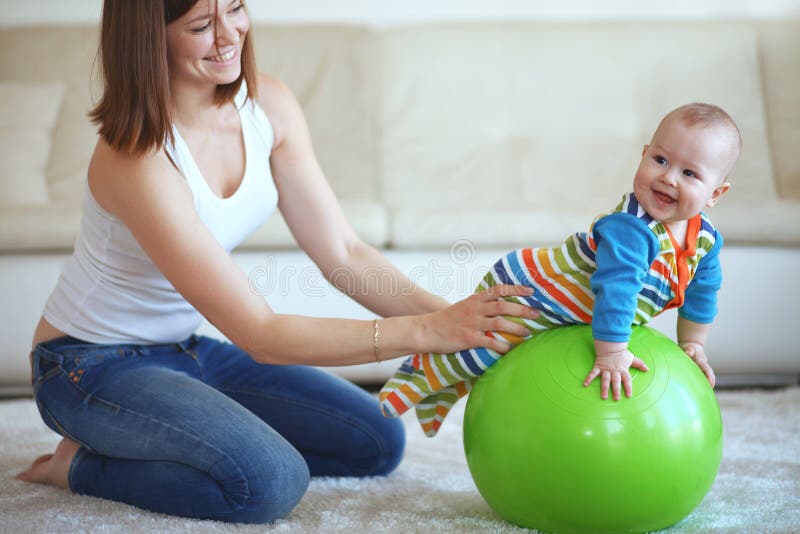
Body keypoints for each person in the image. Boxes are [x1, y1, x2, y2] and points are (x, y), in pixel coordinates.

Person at [15, 0, 539, 524]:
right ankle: (78, 466)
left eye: (235, 9)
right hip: (88, 366)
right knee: (267, 481)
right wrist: (425, 332)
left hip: (185, 350)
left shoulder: (269, 105)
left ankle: (170, 437)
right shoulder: (139, 157)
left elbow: (343, 252)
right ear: (150, 40)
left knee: (376, 441)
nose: (228, 36)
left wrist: (463, 321)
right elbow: (261, 335)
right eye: (201, 25)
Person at [380, 102, 740, 437]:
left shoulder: (706, 238)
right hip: (540, 290)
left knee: (489, 359)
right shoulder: (632, 227)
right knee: (488, 344)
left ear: (715, 194)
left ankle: (443, 392)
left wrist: (693, 343)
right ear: (644, 154)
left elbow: (703, 291)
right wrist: (612, 352)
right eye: (660, 160)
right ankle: (419, 376)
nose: (668, 178)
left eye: (689, 172)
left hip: (577, 310)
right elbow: (618, 290)